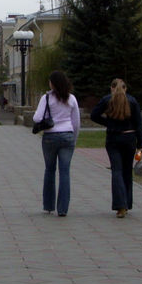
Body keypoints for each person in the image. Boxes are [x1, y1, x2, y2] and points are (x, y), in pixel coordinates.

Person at [90, 78, 142, 218]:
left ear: (111, 88)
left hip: (113, 138)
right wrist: (140, 143)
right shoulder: (132, 101)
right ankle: (127, 203)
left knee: (116, 170)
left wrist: (108, 123)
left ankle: (120, 205)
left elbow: (94, 115)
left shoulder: (107, 100)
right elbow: (138, 124)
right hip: (129, 138)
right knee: (127, 171)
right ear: (125, 88)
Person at [32, 70, 80, 217]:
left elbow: (37, 118)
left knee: (49, 170)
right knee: (65, 172)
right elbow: (76, 122)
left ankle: (48, 205)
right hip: (67, 136)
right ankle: (63, 209)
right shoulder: (71, 98)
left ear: (52, 83)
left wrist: (48, 116)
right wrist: (74, 139)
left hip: (50, 137)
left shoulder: (46, 98)